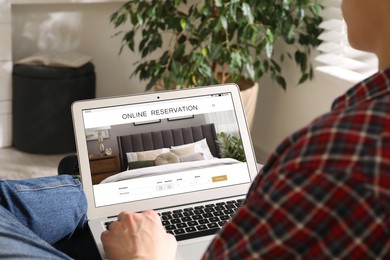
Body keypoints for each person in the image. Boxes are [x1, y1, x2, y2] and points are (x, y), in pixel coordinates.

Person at [1, 0, 390, 258]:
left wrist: (143, 256)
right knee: (82, 185)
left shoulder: (337, 158)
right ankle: (87, 185)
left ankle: (86, 186)